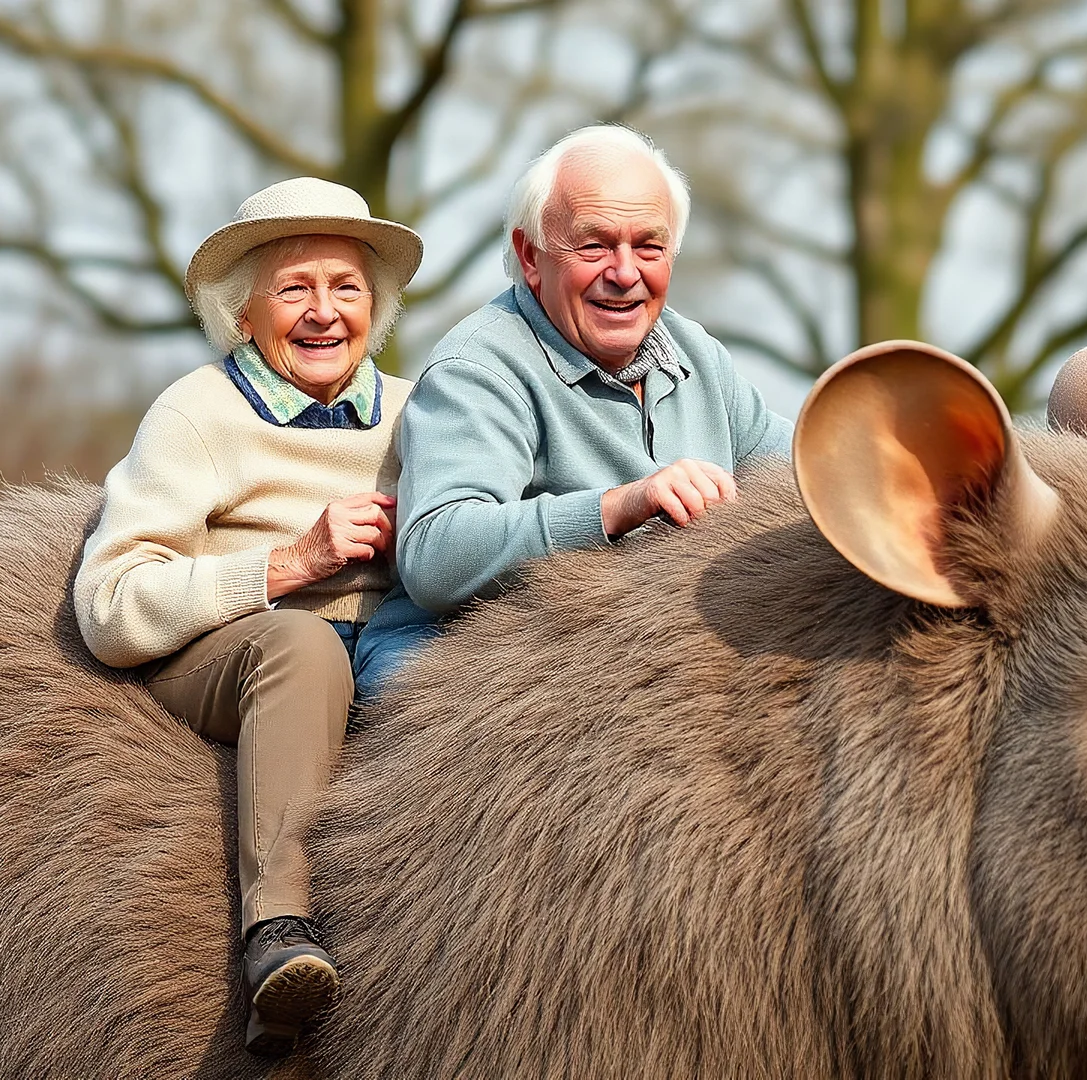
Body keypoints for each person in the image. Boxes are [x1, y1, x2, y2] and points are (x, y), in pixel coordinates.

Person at [72, 176, 422, 1057]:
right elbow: (111, 605)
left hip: (384, 651)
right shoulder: (198, 414)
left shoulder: (423, 412)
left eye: (346, 289)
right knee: (304, 646)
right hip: (239, 655)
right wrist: (289, 562)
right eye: (294, 288)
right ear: (244, 313)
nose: (324, 312)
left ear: (373, 309)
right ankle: (278, 932)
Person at [393, 125, 793, 620]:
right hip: (490, 671)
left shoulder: (696, 354)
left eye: (649, 246)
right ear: (530, 255)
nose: (625, 274)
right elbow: (435, 554)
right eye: (594, 246)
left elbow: (805, 464)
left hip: (646, 643)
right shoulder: (478, 368)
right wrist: (620, 506)